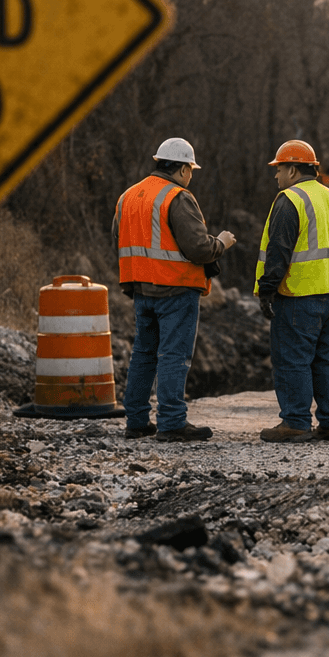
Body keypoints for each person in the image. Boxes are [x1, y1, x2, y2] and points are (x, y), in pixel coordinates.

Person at [114, 138, 236, 443]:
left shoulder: (128, 195)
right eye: (190, 169)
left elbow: (117, 237)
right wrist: (221, 243)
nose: (191, 175)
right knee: (173, 355)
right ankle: (171, 422)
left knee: (143, 354)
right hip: (175, 288)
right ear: (182, 168)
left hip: (141, 287)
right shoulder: (177, 197)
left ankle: (137, 421)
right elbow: (197, 248)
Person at [255, 139, 329, 442]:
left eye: (278, 169)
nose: (276, 176)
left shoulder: (290, 199)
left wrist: (267, 290)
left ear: (292, 169)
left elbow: (279, 250)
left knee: (292, 359)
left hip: (299, 293)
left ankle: (296, 422)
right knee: (325, 358)